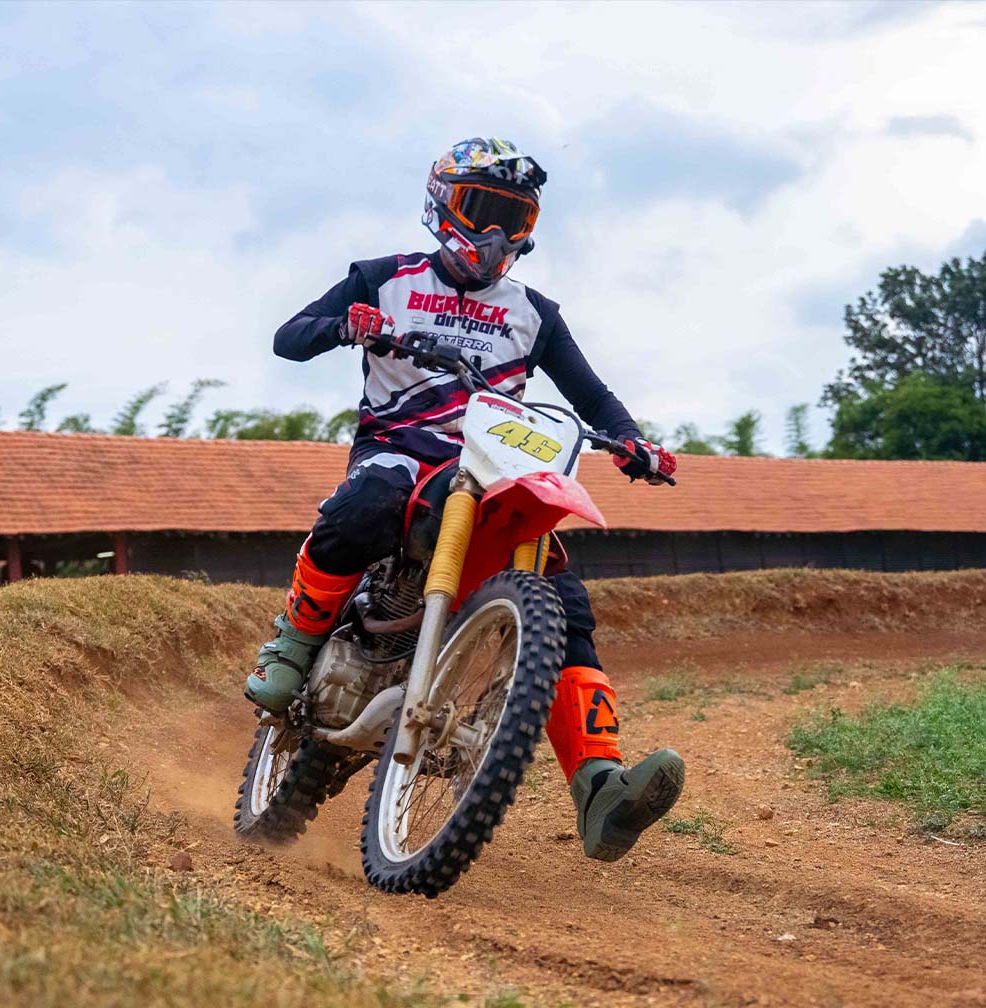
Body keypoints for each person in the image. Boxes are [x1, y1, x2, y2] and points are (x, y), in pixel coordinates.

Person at [246, 137, 684, 862]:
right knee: (363, 504)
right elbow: (288, 340)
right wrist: (347, 324)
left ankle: (602, 786)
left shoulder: (533, 313)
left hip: (491, 469)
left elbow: (594, 396)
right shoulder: (383, 277)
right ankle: (292, 646)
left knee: (564, 600)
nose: (494, 234)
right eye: (481, 209)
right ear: (442, 205)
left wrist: (633, 441)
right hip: (399, 456)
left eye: (513, 218)